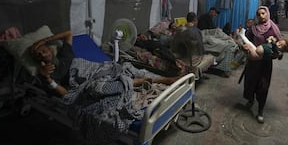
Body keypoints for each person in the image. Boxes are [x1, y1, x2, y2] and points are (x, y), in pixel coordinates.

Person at [30, 30, 182, 97]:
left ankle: (159, 79)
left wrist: (44, 40)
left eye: (44, 50)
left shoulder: (65, 53)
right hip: (87, 79)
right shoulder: (48, 74)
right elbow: (65, 93)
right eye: (39, 54)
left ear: (50, 50)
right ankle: (146, 81)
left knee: (127, 67)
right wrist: (49, 80)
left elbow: (68, 33)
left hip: (98, 67)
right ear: (39, 60)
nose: (43, 53)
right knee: (104, 86)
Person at [243, 6, 282, 123]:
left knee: (263, 86)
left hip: (265, 64)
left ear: (268, 14)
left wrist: (277, 53)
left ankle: (260, 110)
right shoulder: (253, 28)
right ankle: (250, 100)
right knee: (250, 83)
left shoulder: (274, 29)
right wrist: (244, 47)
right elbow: (246, 40)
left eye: (263, 13)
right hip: (253, 62)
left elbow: (280, 47)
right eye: (259, 14)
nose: (261, 16)